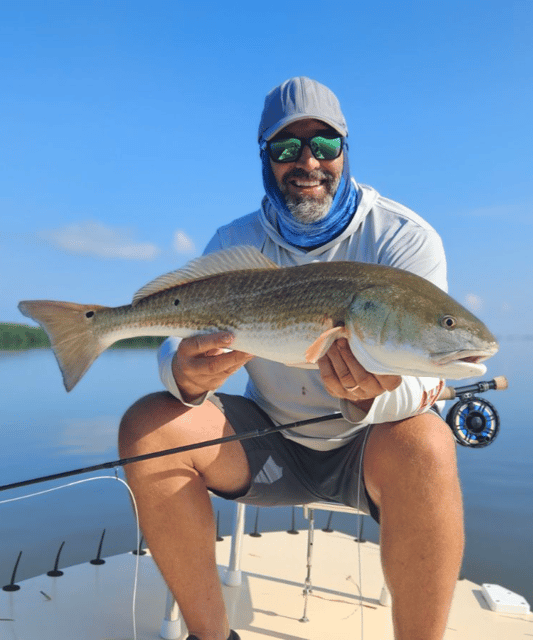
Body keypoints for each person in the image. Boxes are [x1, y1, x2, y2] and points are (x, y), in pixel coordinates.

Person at [118, 77, 464, 640]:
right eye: (285, 148)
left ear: (346, 152)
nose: (308, 161)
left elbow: (428, 372)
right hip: (266, 440)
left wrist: (369, 396)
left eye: (324, 145)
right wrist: (180, 373)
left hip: (368, 449)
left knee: (429, 441)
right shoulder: (236, 239)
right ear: (265, 158)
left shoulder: (403, 238)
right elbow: (181, 328)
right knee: (148, 425)